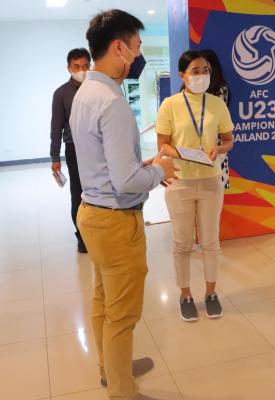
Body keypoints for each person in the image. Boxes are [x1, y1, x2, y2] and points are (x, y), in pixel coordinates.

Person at [70, 9, 176, 400]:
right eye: (137, 46)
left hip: (92, 213)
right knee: (122, 315)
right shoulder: (112, 101)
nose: (139, 54)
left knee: (103, 300)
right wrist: (161, 169)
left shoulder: (85, 93)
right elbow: (126, 182)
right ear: (119, 47)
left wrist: (141, 166)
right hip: (115, 221)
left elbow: (108, 164)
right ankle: (122, 391)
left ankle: (110, 369)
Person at [156, 50, 234, 322]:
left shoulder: (217, 104)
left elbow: (228, 140)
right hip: (180, 181)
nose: (202, 75)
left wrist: (218, 149)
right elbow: (163, 145)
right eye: (195, 71)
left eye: (206, 71)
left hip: (210, 180)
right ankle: (185, 295)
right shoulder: (170, 105)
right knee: (182, 243)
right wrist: (184, 154)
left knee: (211, 241)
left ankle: (211, 293)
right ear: (183, 76)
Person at [50, 48, 91, 253]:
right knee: (78, 192)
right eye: (76, 67)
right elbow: (56, 127)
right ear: (68, 68)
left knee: (99, 190)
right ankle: (82, 236)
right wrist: (54, 156)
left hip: (98, 147)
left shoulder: (96, 89)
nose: (81, 70)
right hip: (74, 148)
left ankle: (97, 232)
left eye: (85, 66)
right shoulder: (61, 93)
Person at [200, 49, 231, 188]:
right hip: (195, 147)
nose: (202, 73)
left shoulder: (220, 89)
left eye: (205, 68)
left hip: (215, 145)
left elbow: (215, 118)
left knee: (215, 188)